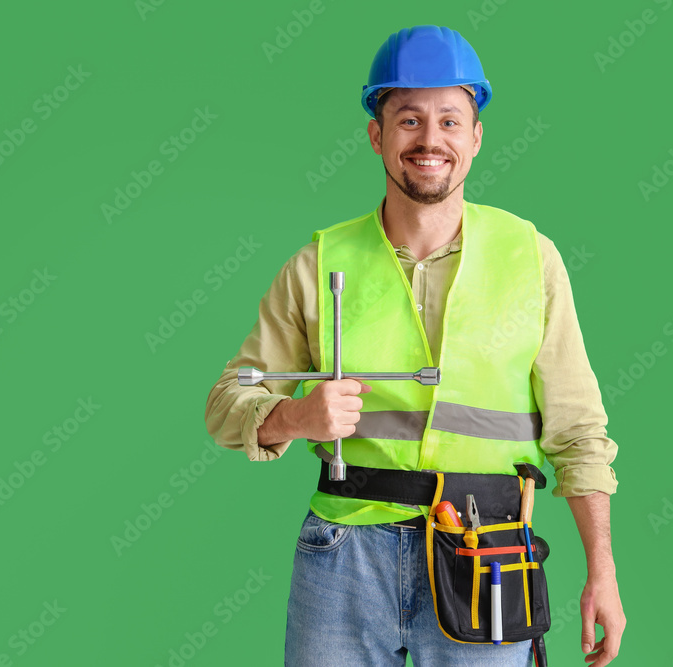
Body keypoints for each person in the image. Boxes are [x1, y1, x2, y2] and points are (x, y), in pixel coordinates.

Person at [204, 25, 625, 666]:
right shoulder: (320, 264)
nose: (430, 140)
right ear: (378, 135)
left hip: (488, 552)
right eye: (409, 120)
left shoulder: (530, 259)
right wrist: (293, 416)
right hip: (344, 554)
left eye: (450, 121)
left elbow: (578, 430)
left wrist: (603, 570)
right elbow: (228, 398)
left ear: (476, 137)